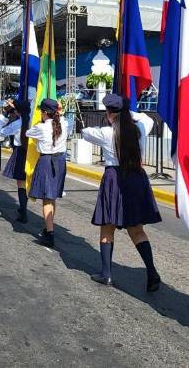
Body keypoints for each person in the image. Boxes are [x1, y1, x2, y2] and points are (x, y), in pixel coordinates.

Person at [81, 93, 162, 291]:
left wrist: (112, 120)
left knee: (107, 227)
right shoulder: (139, 128)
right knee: (137, 229)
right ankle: (151, 272)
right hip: (136, 178)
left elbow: (84, 132)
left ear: (109, 113)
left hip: (114, 179)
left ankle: (107, 274)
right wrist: (128, 112)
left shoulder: (107, 133)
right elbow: (147, 118)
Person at [26, 98, 70, 248]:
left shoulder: (41, 127)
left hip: (46, 161)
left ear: (44, 112)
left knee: (46, 198)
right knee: (52, 196)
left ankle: (49, 233)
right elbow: (63, 118)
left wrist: (40, 121)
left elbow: (28, 133)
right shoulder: (64, 123)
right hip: (60, 161)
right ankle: (49, 227)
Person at [0, 99, 31, 222]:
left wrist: (8, 115)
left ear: (17, 112)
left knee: (21, 183)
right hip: (32, 153)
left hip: (20, 153)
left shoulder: (17, 124)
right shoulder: (33, 122)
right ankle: (23, 208)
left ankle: (23, 211)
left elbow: (1, 132)